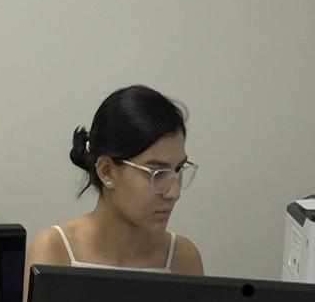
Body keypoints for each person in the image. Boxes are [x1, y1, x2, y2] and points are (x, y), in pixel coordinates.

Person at [26, 85, 204, 290]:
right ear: (107, 171)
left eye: (178, 169)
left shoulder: (182, 258)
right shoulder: (54, 250)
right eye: (157, 172)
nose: (174, 193)